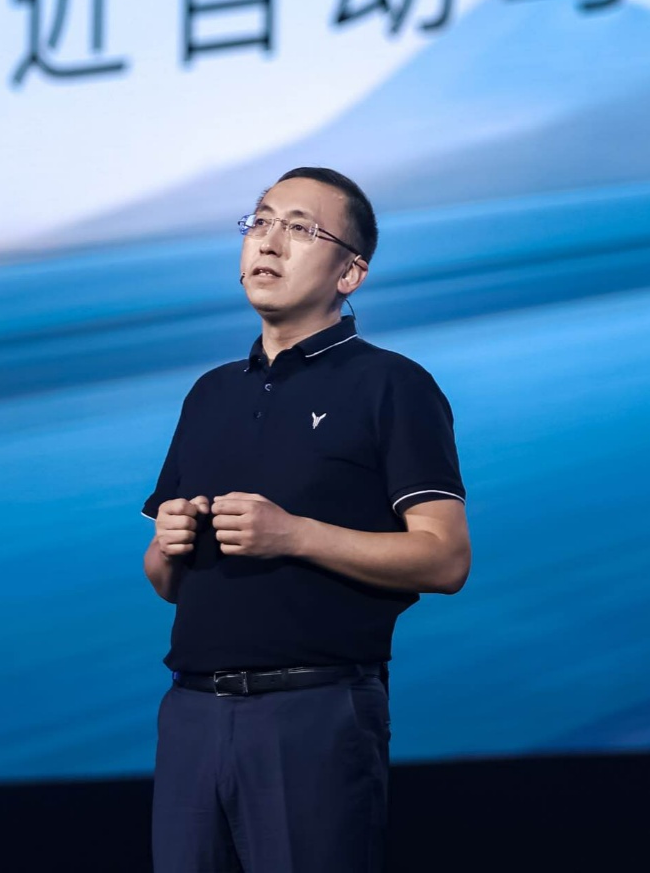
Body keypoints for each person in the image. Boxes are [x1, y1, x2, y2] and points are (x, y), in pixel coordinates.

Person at [142, 166, 470, 872]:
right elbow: (167, 583)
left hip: (313, 709)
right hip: (191, 711)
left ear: (350, 273)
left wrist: (293, 534)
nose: (269, 242)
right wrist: (167, 545)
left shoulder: (392, 384)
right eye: (260, 221)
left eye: (300, 228)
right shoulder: (209, 393)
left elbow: (446, 558)